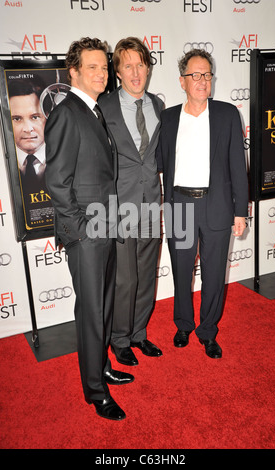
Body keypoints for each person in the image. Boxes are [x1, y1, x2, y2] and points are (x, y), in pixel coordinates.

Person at [45, 37, 134, 421]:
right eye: (92, 67)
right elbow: (57, 181)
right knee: (92, 312)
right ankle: (95, 392)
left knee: (105, 305)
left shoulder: (93, 111)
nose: (101, 74)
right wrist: (81, 229)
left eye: (103, 66)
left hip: (105, 225)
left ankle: (102, 370)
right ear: (74, 72)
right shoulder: (67, 113)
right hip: (87, 233)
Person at [156, 49, 248, 358]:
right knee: (182, 270)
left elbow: (238, 165)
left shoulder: (227, 114)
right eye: (195, 75)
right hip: (180, 203)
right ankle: (183, 324)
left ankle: (208, 331)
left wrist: (240, 211)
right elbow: (156, 162)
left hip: (218, 205)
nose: (202, 80)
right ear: (181, 81)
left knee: (214, 272)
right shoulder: (167, 118)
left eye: (207, 74)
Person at [99, 37, 163, 367]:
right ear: (118, 72)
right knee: (125, 278)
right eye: (128, 65)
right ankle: (120, 339)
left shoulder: (158, 105)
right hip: (119, 206)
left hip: (152, 201)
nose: (136, 72)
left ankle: (139, 333)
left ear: (148, 67)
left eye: (141, 64)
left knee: (147, 274)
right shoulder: (104, 108)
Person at [9, 80, 46, 193]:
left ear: (47, 116)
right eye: (17, 119)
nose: (28, 128)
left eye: (35, 117)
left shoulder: (69, 156)